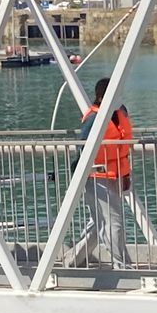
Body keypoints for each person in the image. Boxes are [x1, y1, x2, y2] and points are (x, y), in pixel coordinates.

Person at [64, 77, 134, 269]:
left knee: (99, 223)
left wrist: (125, 176)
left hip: (116, 176)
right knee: (113, 222)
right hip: (97, 176)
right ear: (102, 97)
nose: (117, 98)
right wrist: (76, 175)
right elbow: (81, 147)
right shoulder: (93, 118)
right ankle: (122, 265)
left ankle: (73, 260)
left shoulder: (120, 113)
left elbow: (122, 147)